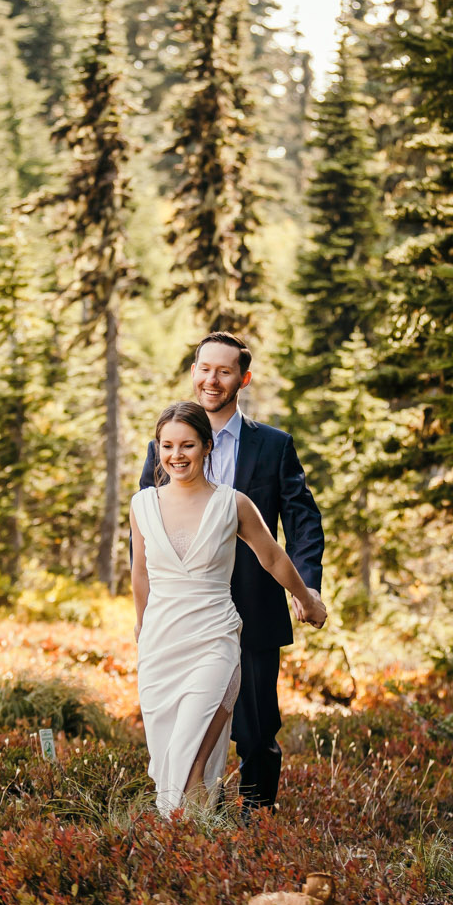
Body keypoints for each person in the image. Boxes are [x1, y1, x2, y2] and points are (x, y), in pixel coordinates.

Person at [135, 332, 325, 810]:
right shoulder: (169, 441)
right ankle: (203, 817)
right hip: (177, 618)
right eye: (204, 368)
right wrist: (145, 620)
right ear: (193, 371)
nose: (211, 379)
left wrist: (305, 590)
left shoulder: (274, 446)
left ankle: (256, 826)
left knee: (256, 731)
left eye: (223, 371)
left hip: (253, 609)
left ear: (243, 378)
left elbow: (300, 521)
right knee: (185, 723)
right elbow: (146, 536)